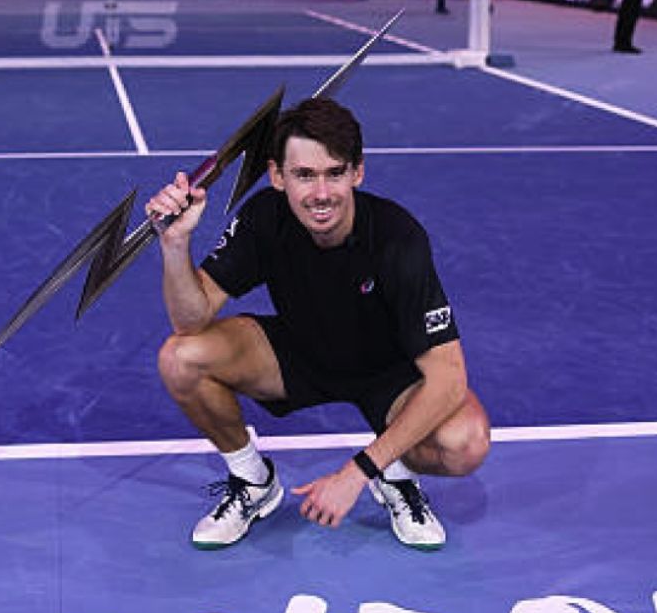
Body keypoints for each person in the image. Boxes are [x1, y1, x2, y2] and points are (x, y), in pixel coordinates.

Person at [146, 98, 491, 551]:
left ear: (357, 173)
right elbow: (189, 321)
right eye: (304, 175)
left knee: (465, 442)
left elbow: (449, 377)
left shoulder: (397, 239)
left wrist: (358, 472)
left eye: (334, 173)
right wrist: (175, 243)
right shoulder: (264, 218)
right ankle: (253, 482)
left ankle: (394, 476)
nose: (321, 193)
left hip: (388, 374)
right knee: (180, 358)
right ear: (277, 176)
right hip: (299, 354)